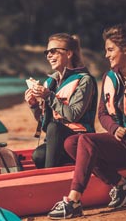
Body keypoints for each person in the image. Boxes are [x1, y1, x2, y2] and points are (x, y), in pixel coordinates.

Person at [48, 23, 126, 220]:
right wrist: (114, 128)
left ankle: (74, 201)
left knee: (86, 140)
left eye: (111, 50)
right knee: (71, 143)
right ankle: (121, 184)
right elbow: (102, 114)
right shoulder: (110, 77)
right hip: (122, 142)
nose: (106, 55)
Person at [24, 33, 98, 169]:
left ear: (68, 54)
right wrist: (34, 105)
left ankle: (49, 177)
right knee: (38, 156)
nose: (48, 55)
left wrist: (49, 96)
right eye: (47, 52)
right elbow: (44, 123)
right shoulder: (50, 82)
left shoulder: (84, 80)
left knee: (54, 127)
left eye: (53, 51)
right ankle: (59, 172)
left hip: (78, 139)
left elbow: (74, 115)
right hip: (57, 139)